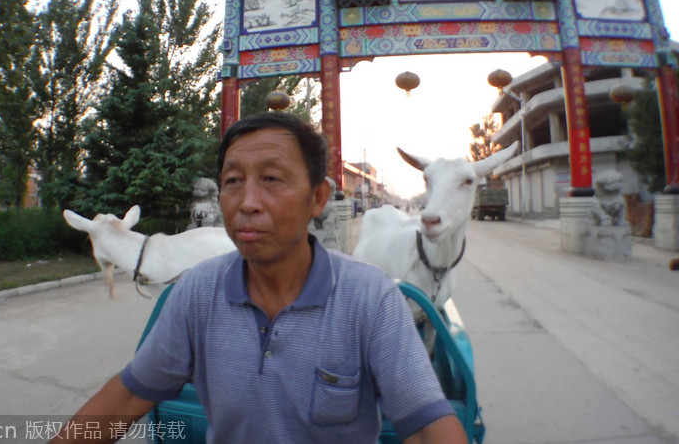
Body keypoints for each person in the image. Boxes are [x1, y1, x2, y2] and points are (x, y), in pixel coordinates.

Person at [49, 112, 467, 444]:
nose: (247, 202)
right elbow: (128, 395)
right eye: (233, 181)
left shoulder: (369, 297)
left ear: (318, 197)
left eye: (271, 179)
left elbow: (427, 425)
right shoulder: (197, 291)